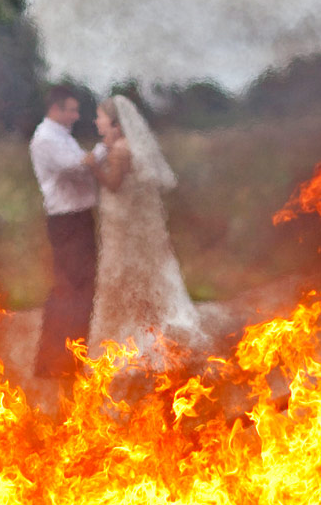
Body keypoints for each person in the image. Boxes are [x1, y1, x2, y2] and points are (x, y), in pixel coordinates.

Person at [84, 94, 204, 367]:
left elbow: (113, 184)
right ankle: (147, 337)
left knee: (121, 280)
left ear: (114, 122)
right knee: (138, 280)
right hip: (126, 225)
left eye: (100, 116)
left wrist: (94, 167)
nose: (96, 121)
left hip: (122, 228)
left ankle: (129, 343)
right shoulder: (125, 146)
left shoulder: (121, 150)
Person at [29, 85, 99, 377]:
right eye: (71, 109)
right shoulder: (46, 138)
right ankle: (55, 362)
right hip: (67, 221)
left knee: (82, 290)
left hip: (78, 218)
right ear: (56, 109)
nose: (76, 115)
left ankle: (69, 359)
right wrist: (105, 149)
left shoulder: (62, 137)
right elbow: (76, 168)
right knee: (69, 289)